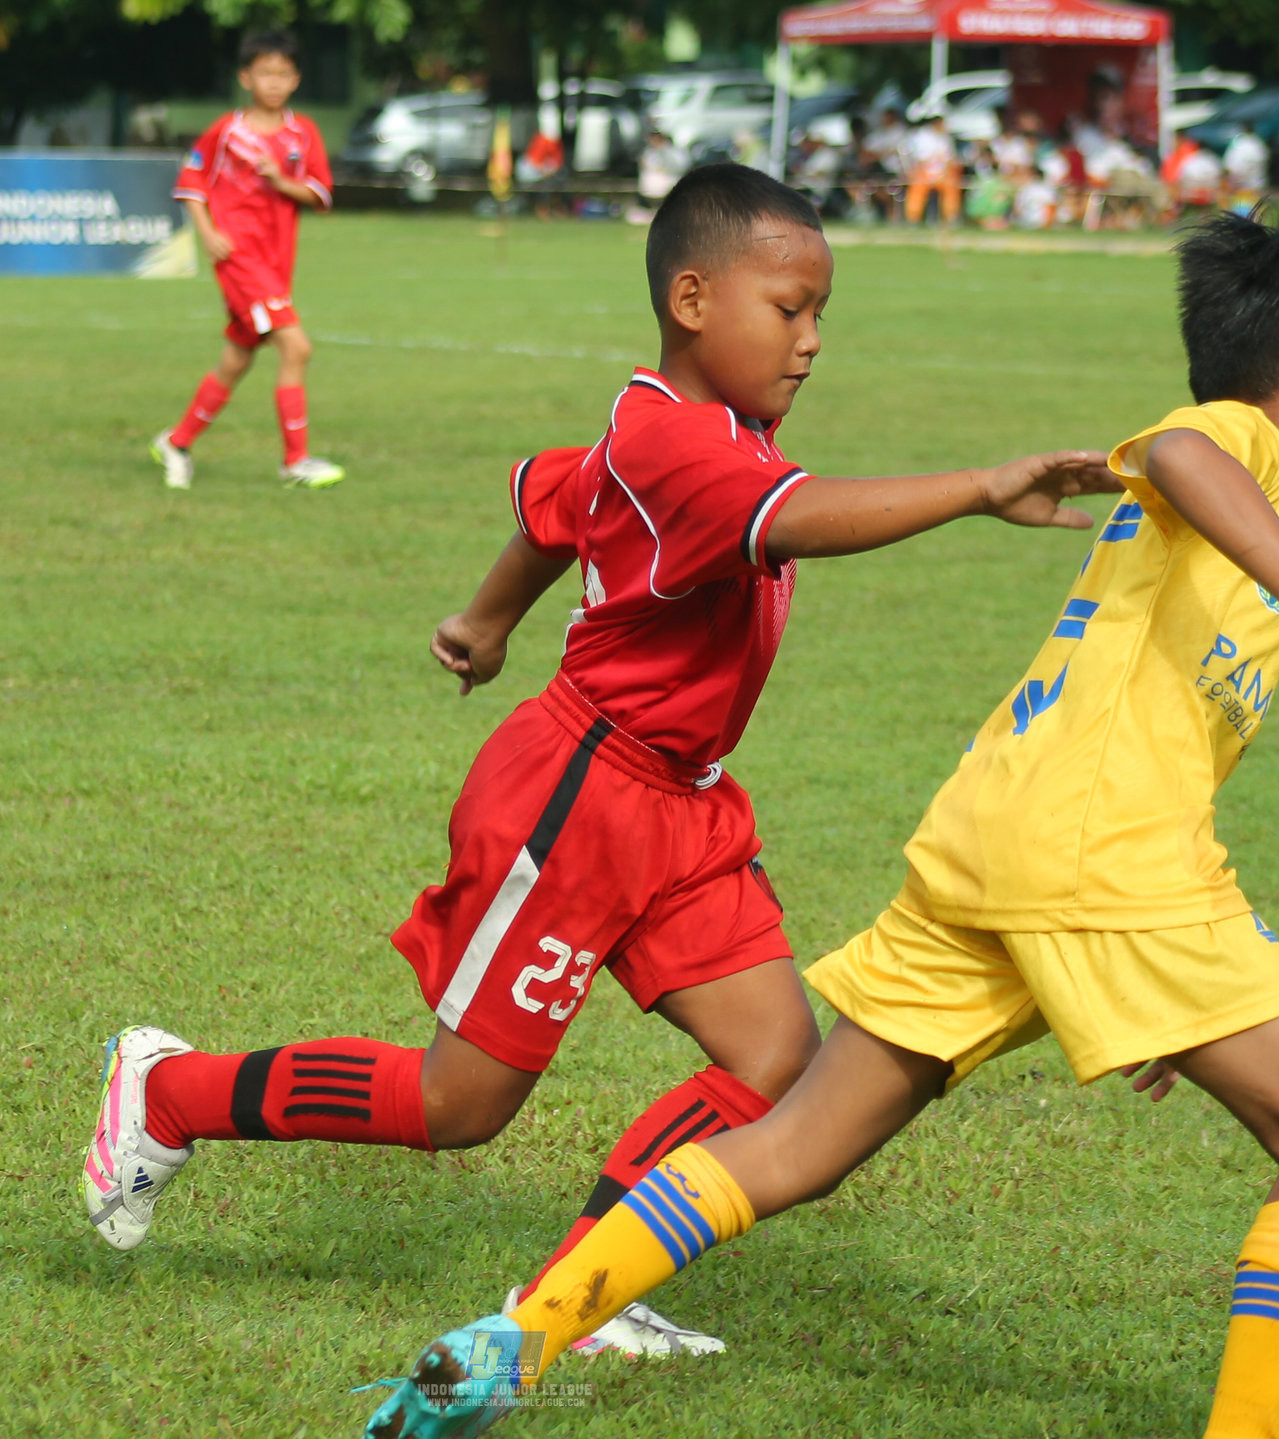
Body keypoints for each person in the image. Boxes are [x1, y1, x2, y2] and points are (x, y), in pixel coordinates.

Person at [367, 210, 1279, 1439]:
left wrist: (1147, 996)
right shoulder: (1238, 442)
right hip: (1093, 859)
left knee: (798, 1142)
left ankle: (521, 1336)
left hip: (1011, 851)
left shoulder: (1260, 504)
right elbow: (1187, 452)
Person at [81, 164, 1119, 1358]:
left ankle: (587, 1284)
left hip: (680, 802)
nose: (811, 340)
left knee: (776, 1054)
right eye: (788, 308)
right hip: (576, 797)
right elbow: (795, 518)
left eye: (820, 313)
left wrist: (485, 619)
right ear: (691, 298)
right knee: (457, 1106)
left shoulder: (682, 431)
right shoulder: (691, 454)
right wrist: (981, 486)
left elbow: (550, 498)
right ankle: (167, 1091)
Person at [153, 29, 344, 492]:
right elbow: (192, 182)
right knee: (297, 348)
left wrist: (281, 179)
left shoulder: (303, 134)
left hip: (275, 262)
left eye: (283, 73)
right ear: (246, 77)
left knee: (236, 361)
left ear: (295, 79)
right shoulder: (227, 131)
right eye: (265, 73)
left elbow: (319, 194)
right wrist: (209, 233)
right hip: (239, 259)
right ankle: (294, 461)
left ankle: (177, 443)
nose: (274, 82)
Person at [903, 114, 962, 227]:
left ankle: (951, 217)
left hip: (943, 173)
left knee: (951, 185)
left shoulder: (946, 138)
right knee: (918, 186)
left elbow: (950, 158)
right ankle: (913, 218)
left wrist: (945, 171)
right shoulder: (922, 136)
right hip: (924, 172)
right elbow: (920, 159)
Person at [1225, 122, 1270, 213]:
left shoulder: (1238, 144)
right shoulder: (1259, 144)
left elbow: (1230, 164)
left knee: (1242, 209)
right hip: (1257, 183)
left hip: (1241, 184)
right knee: (1256, 210)